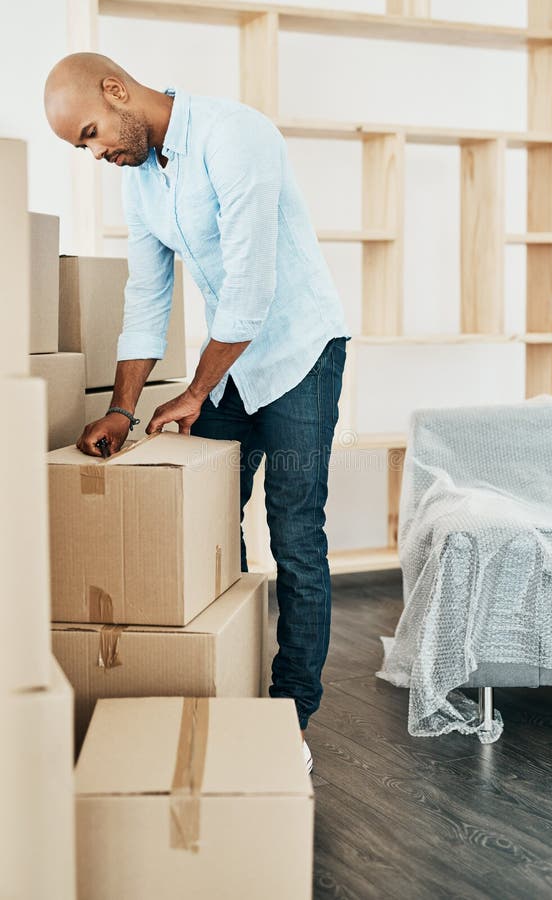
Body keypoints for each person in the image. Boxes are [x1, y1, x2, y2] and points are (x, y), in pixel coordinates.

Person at [44, 52, 351, 775]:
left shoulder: (235, 135)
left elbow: (250, 285)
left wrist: (189, 393)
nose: (96, 154)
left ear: (116, 91)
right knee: (213, 529)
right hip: (229, 368)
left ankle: (288, 719)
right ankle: (232, 689)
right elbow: (147, 298)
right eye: (83, 147)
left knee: (296, 534)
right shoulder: (141, 179)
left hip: (300, 354)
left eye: (90, 133)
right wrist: (123, 409)